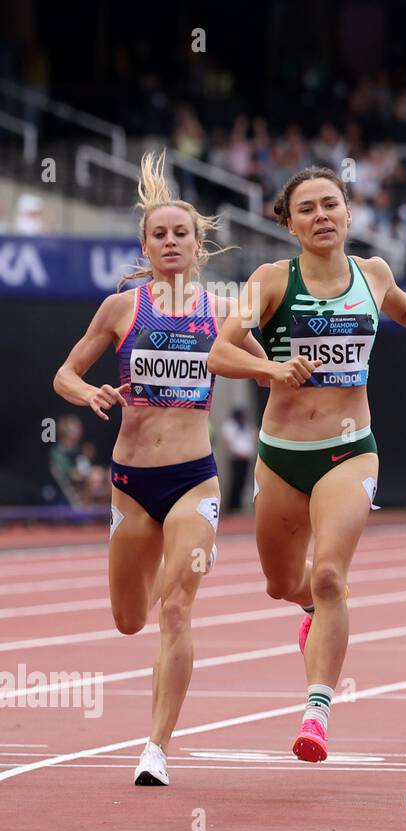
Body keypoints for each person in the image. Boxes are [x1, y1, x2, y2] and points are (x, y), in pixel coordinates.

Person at [208, 166, 406, 762]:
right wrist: (271, 369)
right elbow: (221, 352)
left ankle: (317, 711)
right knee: (282, 583)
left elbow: (404, 308)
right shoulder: (272, 280)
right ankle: (307, 607)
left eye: (331, 204)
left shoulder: (372, 274)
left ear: (350, 214)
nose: (322, 216)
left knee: (330, 574)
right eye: (307, 208)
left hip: (351, 450)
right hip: (281, 457)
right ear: (290, 222)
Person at [52, 151, 268, 785]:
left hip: (193, 479)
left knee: (177, 609)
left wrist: (285, 376)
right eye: (159, 234)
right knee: (129, 619)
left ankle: (156, 748)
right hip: (130, 485)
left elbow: (260, 368)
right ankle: (150, 572)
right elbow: (64, 372)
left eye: (181, 233)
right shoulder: (122, 309)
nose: (170, 242)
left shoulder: (221, 310)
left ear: (199, 245)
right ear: (145, 244)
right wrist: (87, 392)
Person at [220, 407, 256, 512]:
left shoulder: (247, 425)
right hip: (235, 458)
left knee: (243, 482)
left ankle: (238, 506)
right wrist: (238, 453)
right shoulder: (230, 425)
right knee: (235, 481)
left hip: (246, 458)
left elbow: (252, 438)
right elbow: (228, 442)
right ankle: (232, 506)